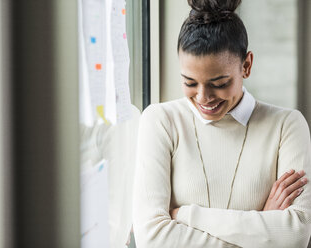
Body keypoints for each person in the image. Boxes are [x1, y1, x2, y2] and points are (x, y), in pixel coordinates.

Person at [132, 0, 311, 247]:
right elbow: (151, 239)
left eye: (219, 83)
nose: (203, 97)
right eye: (190, 82)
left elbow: (295, 235)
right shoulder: (161, 121)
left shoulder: (287, 126)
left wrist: (184, 215)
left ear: (246, 65)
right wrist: (262, 225)